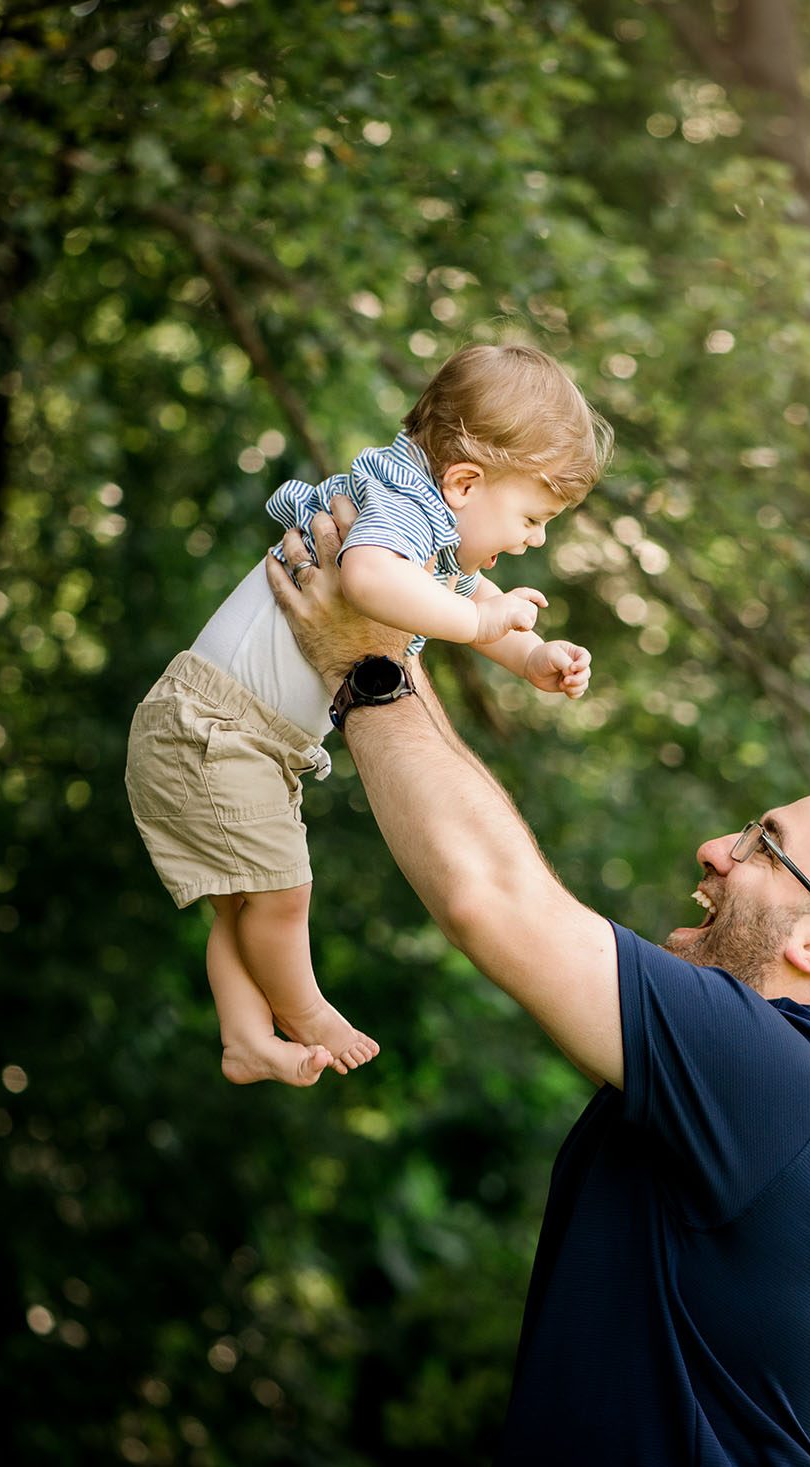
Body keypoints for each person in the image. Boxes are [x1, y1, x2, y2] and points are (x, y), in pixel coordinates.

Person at [263, 507, 810, 1466]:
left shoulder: (782, 1079)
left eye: (765, 846)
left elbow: (496, 898)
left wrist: (370, 661)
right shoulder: (800, 1105)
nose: (716, 848)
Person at [124, 344, 614, 1087]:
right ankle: (309, 1010)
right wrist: (482, 628)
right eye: (532, 516)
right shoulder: (395, 514)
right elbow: (371, 578)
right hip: (215, 728)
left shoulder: (424, 520)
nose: (535, 538)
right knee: (285, 895)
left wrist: (531, 655)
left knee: (246, 905)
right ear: (466, 482)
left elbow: (471, 595)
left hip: (243, 736)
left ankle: (246, 1035)